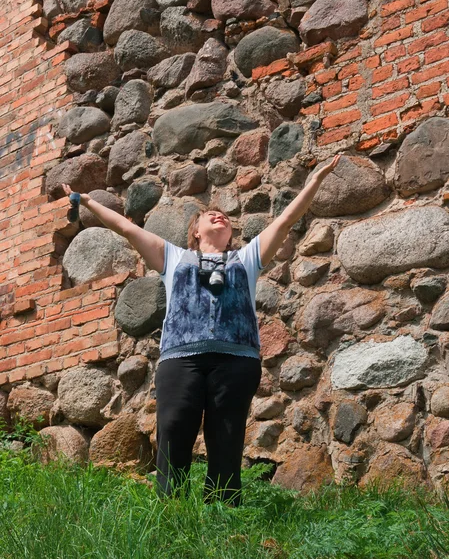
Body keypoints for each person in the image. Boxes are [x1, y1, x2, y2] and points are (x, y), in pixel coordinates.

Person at [62, 153, 341, 505]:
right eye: (209, 214)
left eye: (224, 216)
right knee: (175, 428)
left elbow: (285, 220)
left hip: (236, 361)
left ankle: (222, 513)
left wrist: (314, 180)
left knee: (225, 439)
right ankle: (172, 509)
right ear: (195, 230)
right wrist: (87, 201)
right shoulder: (173, 257)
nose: (219, 214)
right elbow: (126, 228)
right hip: (181, 360)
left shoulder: (248, 258)